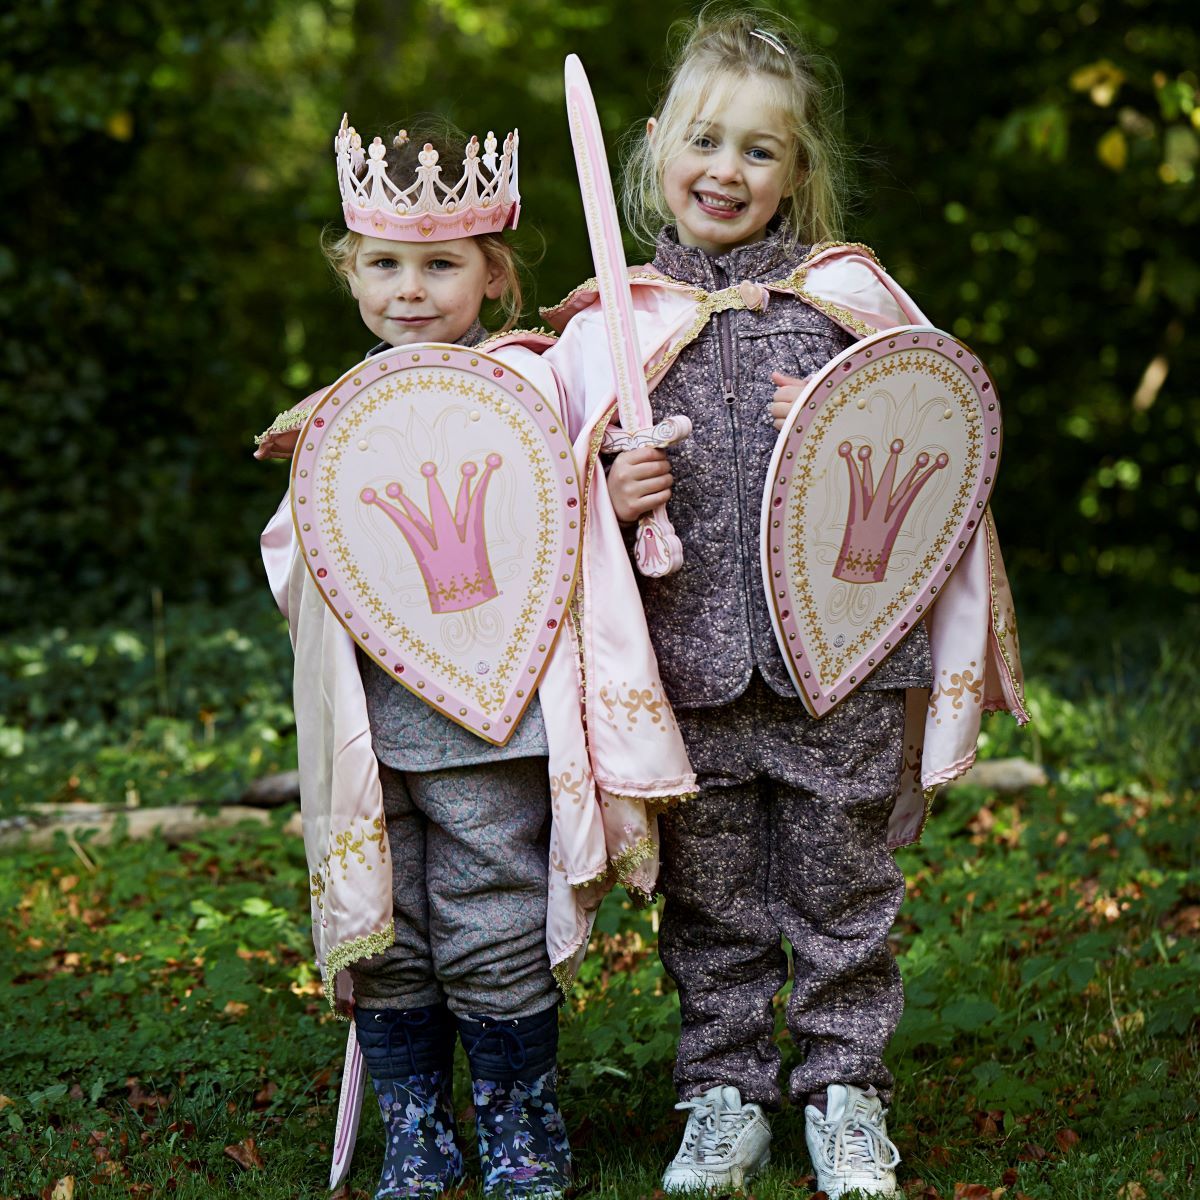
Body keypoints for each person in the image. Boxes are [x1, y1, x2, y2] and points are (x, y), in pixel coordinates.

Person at [541, 10, 1028, 1200]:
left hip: (840, 664)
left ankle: (844, 1090)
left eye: (761, 151)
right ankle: (723, 1095)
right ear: (657, 145)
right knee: (710, 899)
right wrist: (607, 484)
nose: (728, 170)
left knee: (845, 884)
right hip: (689, 666)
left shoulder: (847, 300)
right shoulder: (611, 323)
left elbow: (938, 440)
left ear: (799, 173)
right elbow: (546, 502)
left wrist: (848, 412)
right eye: (706, 140)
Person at [257, 116, 695, 1199]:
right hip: (375, 713)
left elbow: (555, 524)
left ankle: (515, 1117)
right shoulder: (340, 415)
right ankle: (417, 1122)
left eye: (441, 263)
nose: (411, 289)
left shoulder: (530, 384)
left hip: (493, 716)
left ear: (492, 275)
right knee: (391, 924)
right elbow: (297, 553)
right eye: (385, 264)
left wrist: (613, 490)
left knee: (490, 911)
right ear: (351, 272)